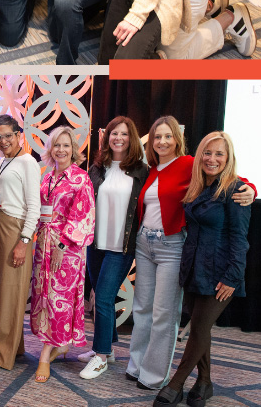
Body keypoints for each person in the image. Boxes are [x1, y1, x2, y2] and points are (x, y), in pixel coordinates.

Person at [127, 116, 255, 391]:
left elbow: (233, 178)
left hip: (172, 246)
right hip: (144, 244)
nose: (162, 141)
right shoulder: (150, 168)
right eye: (157, 136)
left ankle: (153, 375)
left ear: (177, 139)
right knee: (142, 309)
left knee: (164, 313)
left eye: (167, 136)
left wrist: (251, 190)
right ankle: (136, 365)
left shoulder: (188, 164)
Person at [155, 132, 251, 407]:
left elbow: (240, 238)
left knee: (198, 328)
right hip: (194, 269)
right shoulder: (198, 186)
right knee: (201, 328)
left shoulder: (236, 190)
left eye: (219, 154)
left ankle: (176, 384)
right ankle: (205, 383)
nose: (212, 159)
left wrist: (233, 277)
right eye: (207, 153)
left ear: (228, 158)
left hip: (221, 273)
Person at [77, 116, 148, 380]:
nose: (119, 138)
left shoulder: (142, 170)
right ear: (107, 138)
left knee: (105, 298)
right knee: (99, 293)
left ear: (132, 138)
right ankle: (108, 347)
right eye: (114, 133)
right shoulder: (97, 168)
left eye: (125, 134)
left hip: (122, 246)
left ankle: (101, 356)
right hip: (96, 244)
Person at [30, 126, 95, 383]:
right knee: (44, 296)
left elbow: (83, 218)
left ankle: (45, 354)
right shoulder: (47, 177)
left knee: (60, 298)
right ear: (50, 149)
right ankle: (59, 343)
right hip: (43, 245)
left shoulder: (81, 179)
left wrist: (61, 246)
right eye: (57, 145)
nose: (61, 150)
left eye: (66, 145)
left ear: (73, 149)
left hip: (66, 249)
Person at [0, 114, 41, 371]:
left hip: (15, 229)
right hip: (0, 226)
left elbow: (34, 207)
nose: (3, 140)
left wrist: (24, 241)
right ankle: (14, 346)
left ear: (18, 134)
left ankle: (1, 354)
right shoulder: (5, 162)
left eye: (8, 135)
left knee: (10, 293)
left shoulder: (27, 161)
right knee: (5, 291)